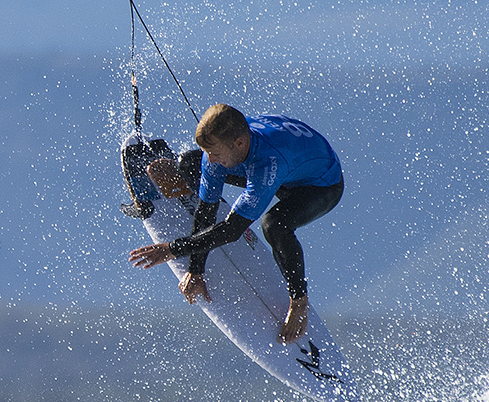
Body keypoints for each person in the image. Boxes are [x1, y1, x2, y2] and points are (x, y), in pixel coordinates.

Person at [128, 103, 344, 343]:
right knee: (190, 164)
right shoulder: (227, 145)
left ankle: (299, 301)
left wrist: (171, 249)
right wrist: (196, 270)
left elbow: (232, 233)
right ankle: (217, 198)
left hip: (319, 185)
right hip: (280, 160)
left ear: (239, 143)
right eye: (207, 151)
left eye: (215, 152)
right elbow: (206, 210)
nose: (209, 158)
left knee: (274, 225)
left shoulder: (267, 164)